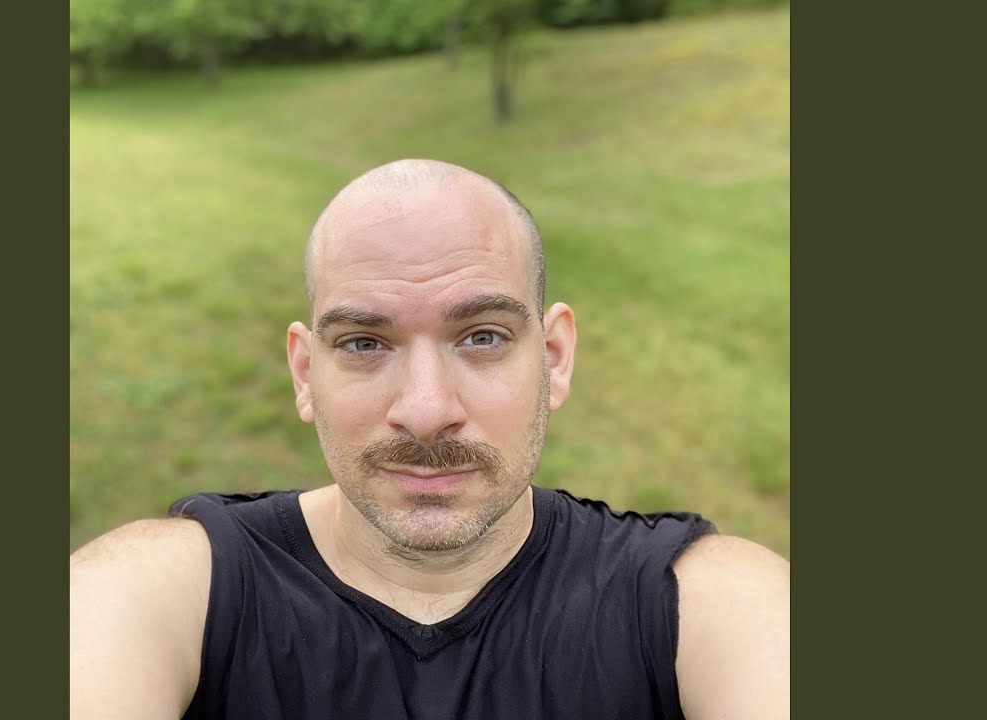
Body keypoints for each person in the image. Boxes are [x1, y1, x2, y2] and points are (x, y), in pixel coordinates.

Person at [70, 159, 789, 720]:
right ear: (305, 373)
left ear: (554, 359)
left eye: (482, 337)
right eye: (363, 343)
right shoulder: (163, 593)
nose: (424, 412)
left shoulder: (704, 605)